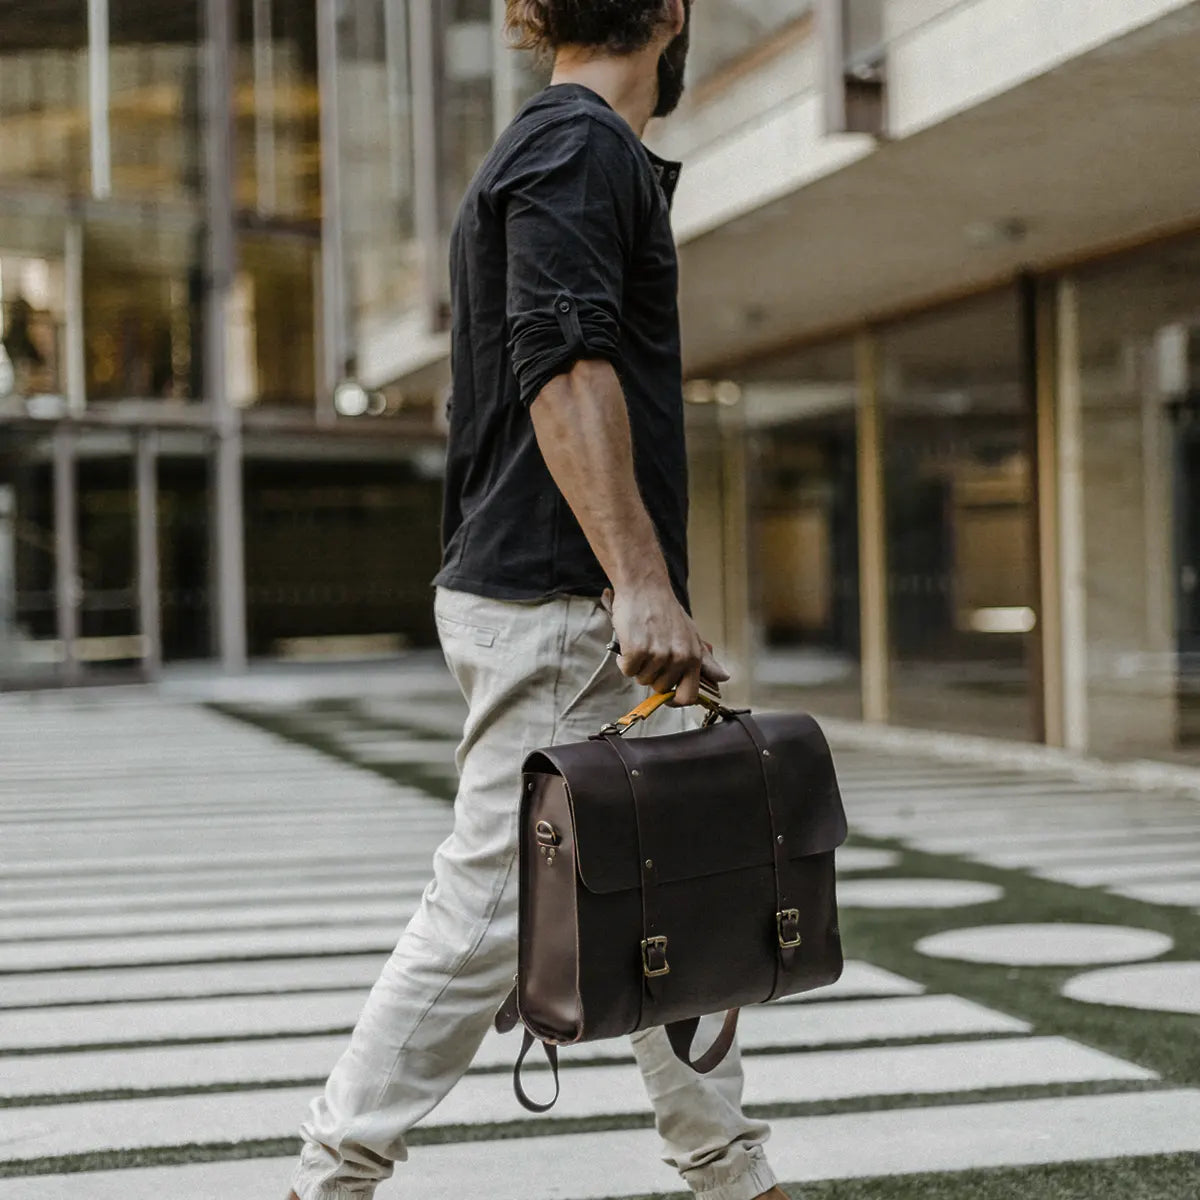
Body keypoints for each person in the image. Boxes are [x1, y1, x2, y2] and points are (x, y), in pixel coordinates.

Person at [287, 2, 790, 1197]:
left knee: (681, 884)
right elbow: (562, 368)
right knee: (489, 909)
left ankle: (731, 1170)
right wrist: (640, 583)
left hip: (561, 597)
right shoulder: (573, 148)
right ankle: (328, 1179)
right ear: (672, 13)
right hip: (568, 605)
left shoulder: (557, 145)